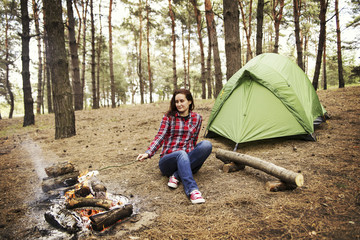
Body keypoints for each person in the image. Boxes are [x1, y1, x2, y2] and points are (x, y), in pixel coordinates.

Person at [136, 89, 212, 204]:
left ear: (190, 101)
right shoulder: (169, 117)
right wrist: (148, 153)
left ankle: (176, 175)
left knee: (206, 145)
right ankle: (193, 191)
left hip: (186, 160)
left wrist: (192, 156)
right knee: (181, 153)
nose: (179, 104)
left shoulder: (197, 118)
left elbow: (193, 141)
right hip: (168, 161)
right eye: (176, 102)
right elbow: (160, 136)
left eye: (182, 101)